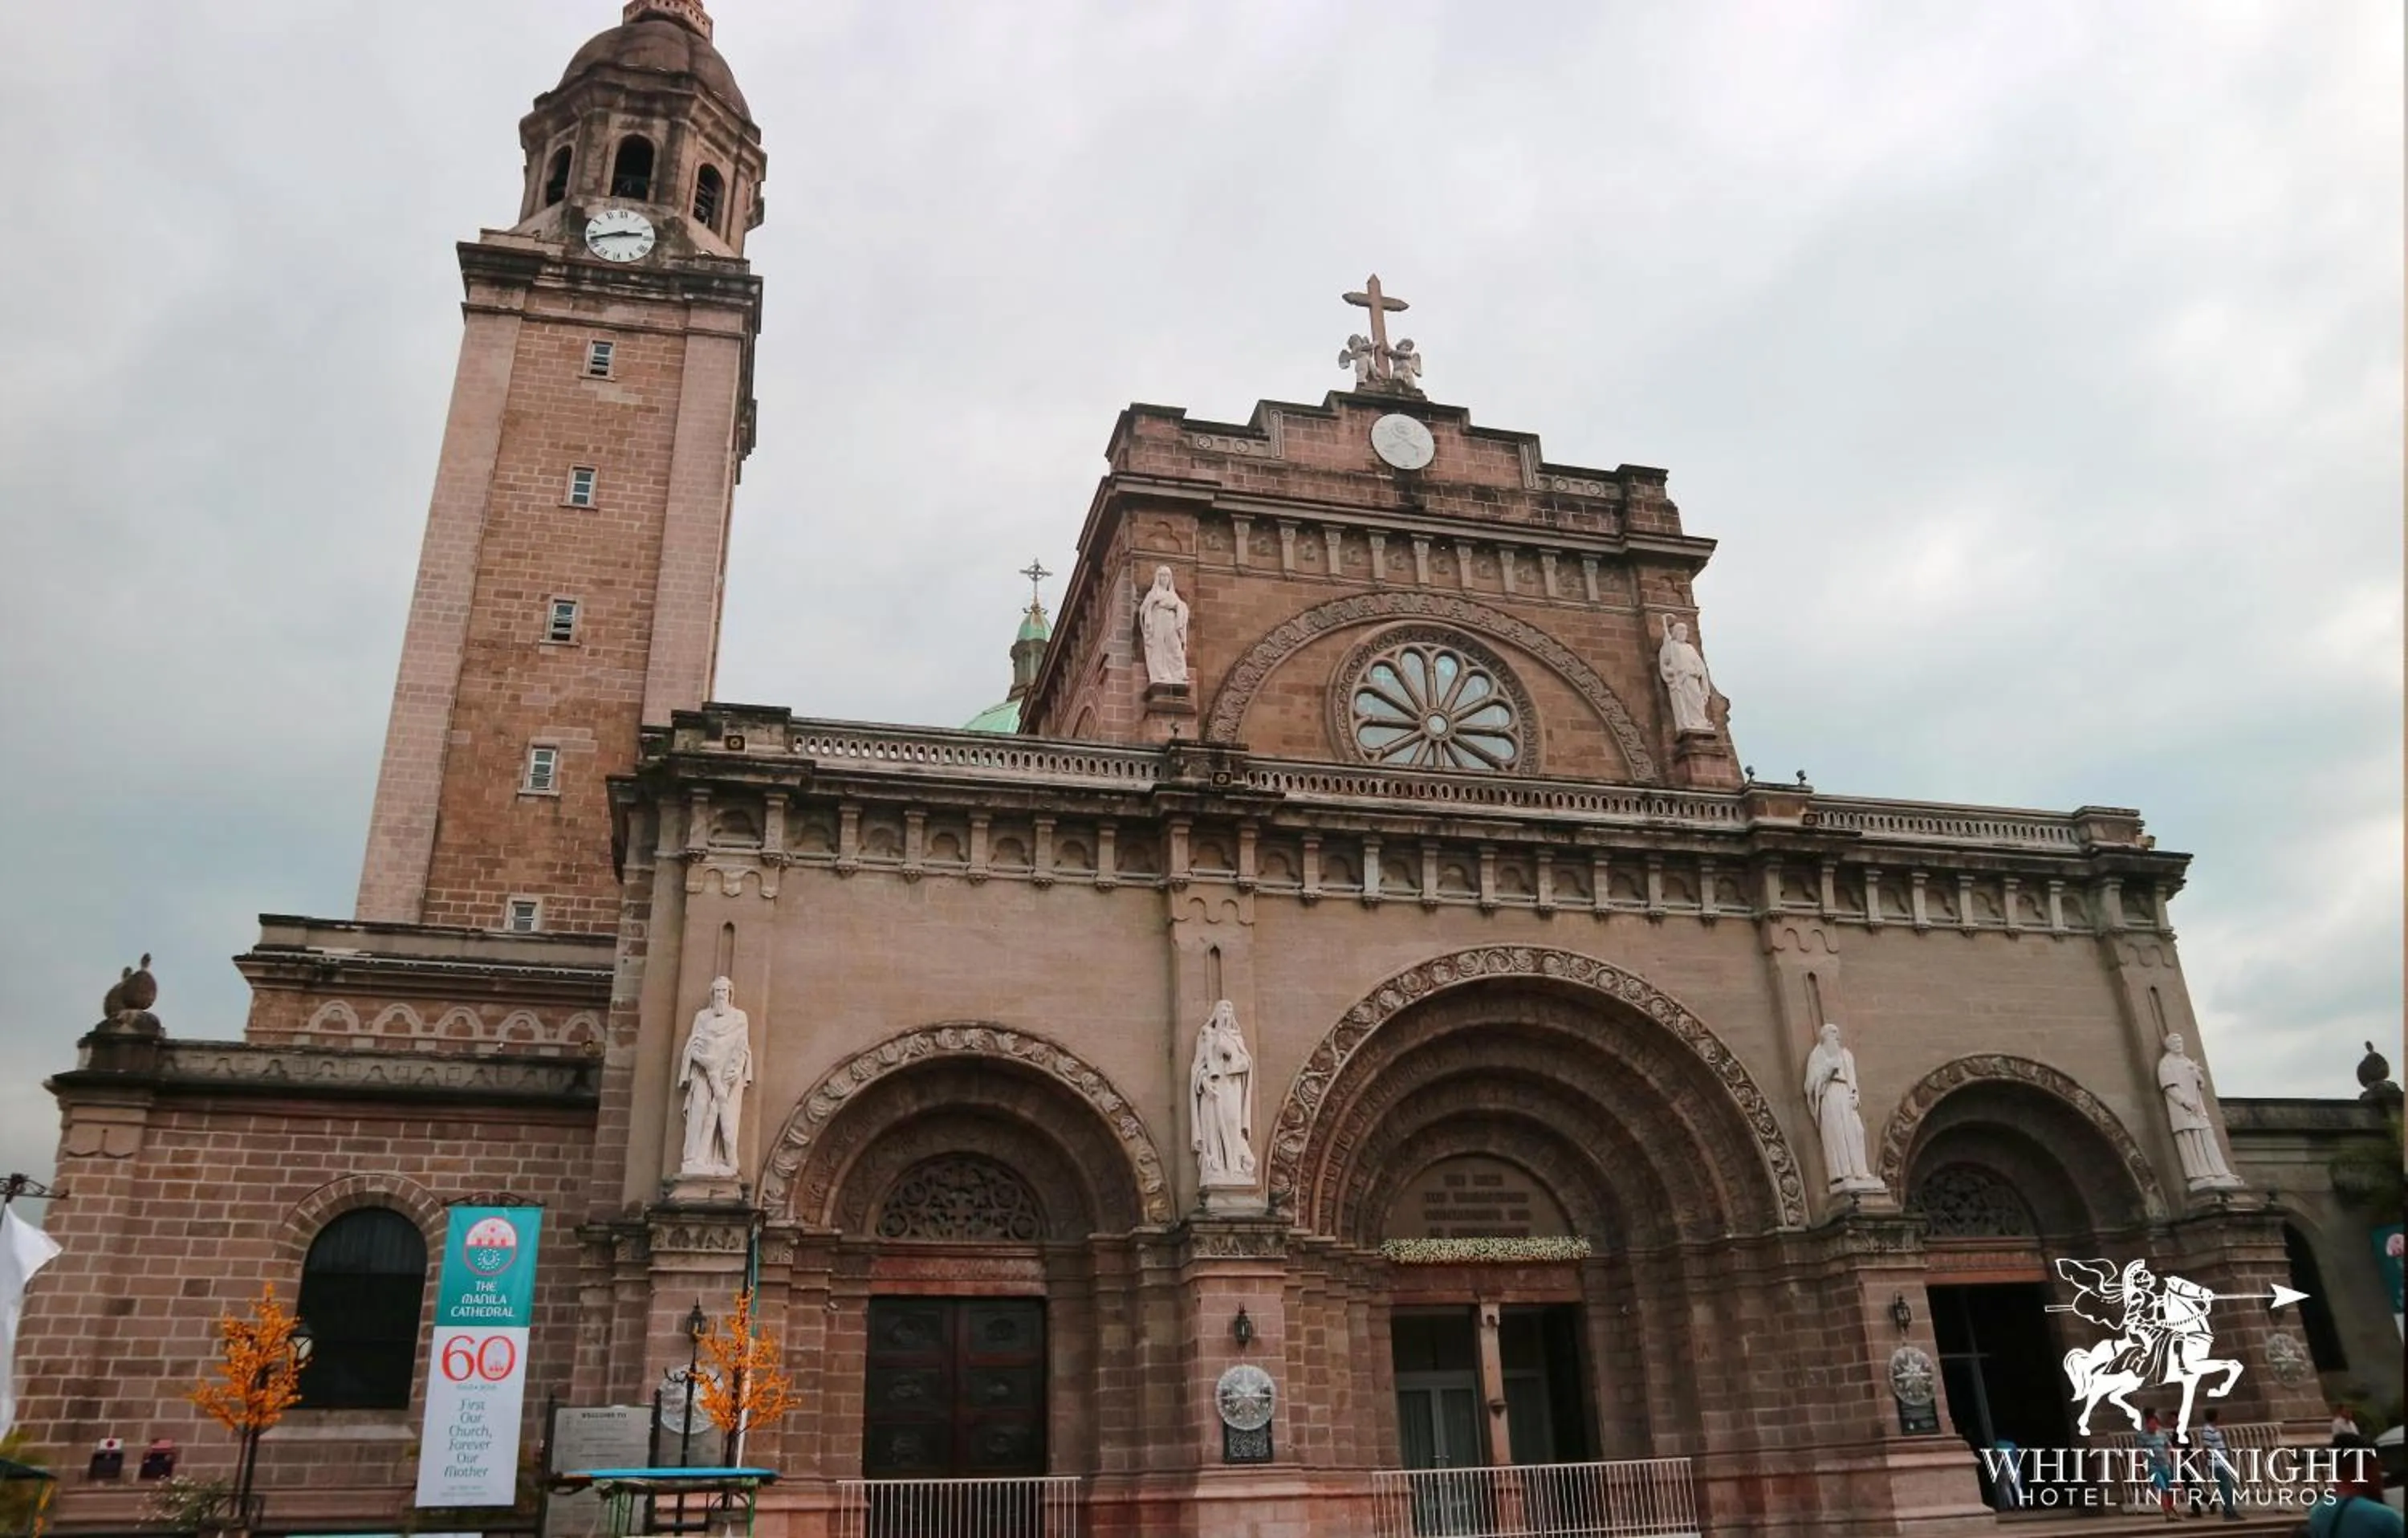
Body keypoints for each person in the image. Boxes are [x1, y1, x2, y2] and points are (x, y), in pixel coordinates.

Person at [2305, 1434, 2402, 1538]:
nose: (2380, 1477)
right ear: (2363, 1469)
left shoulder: (2318, 1512)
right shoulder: (2386, 1519)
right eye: (2377, 1469)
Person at [2197, 1408, 2240, 1521]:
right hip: (2217, 1463)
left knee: (2226, 1487)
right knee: (2226, 1488)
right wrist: (2207, 1461)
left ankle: (2230, 1510)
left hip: (2221, 1462)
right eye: (2219, 1415)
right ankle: (2229, 1512)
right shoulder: (2208, 1430)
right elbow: (2207, 1447)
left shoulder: (2214, 1429)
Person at [2139, 1409, 2175, 1520]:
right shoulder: (2143, 1436)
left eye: (2155, 1424)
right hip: (2153, 1466)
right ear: (2147, 1424)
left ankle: (2171, 1508)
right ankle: (2167, 1513)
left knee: (2169, 1488)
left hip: (2165, 1464)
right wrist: (2138, 1466)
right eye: (2151, 1424)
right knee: (2162, 1488)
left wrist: (2172, 1458)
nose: (2153, 1426)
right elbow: (2139, 1452)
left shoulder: (2162, 1434)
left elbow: (2169, 1447)